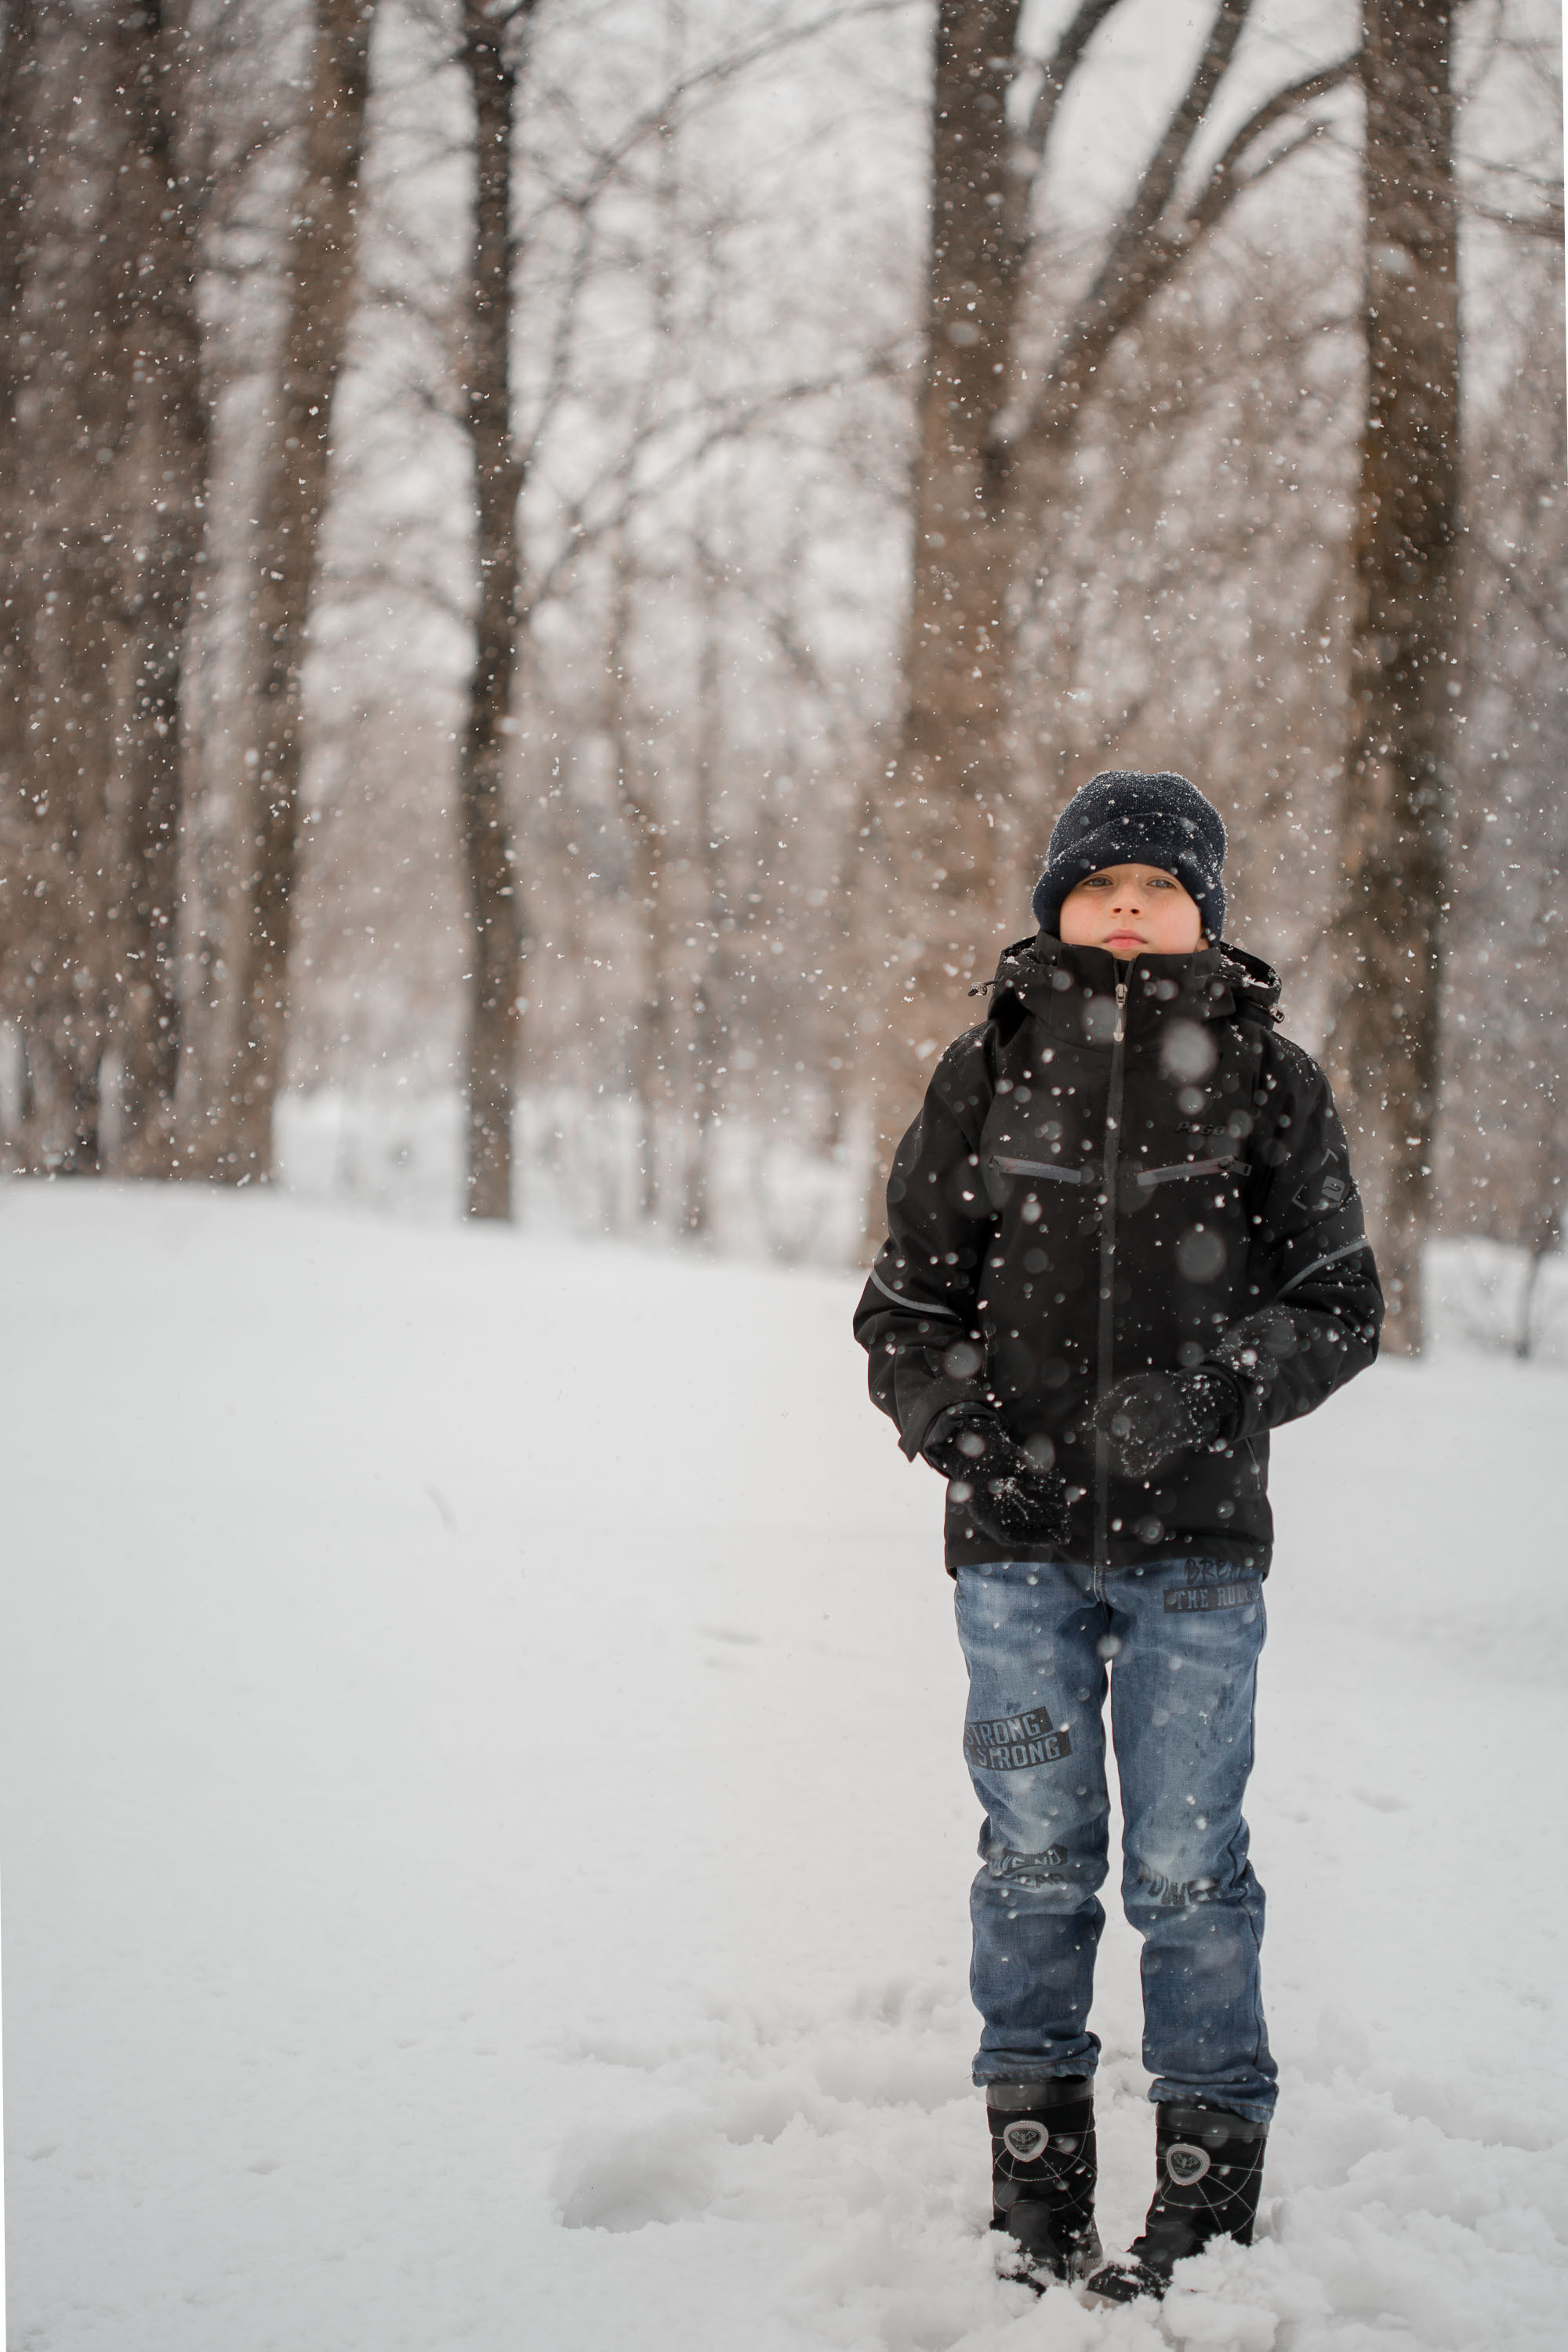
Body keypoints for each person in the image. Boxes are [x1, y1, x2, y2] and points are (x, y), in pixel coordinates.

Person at [852, 769, 1382, 2303]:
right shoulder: (986, 1070)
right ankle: (1037, 2180)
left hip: (1197, 1561)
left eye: (1164, 883)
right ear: (1059, 908)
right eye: (1104, 882)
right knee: (1031, 1858)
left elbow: (1337, 1305)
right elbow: (904, 1308)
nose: (1133, 903)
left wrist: (1218, 1387)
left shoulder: (1269, 1083)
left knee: (1185, 1865)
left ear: (1203, 913)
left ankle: (1206, 2193)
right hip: (1012, 1560)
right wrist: (958, 1427)